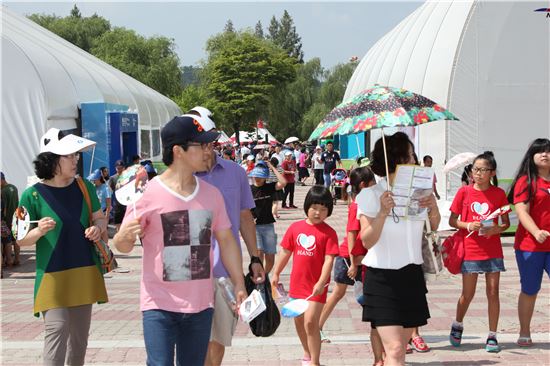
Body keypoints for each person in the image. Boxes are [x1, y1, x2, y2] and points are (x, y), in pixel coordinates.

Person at [113, 115, 247, 366]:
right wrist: (122, 237)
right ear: (179, 151)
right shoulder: (148, 194)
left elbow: (227, 240)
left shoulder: (211, 195)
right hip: (158, 305)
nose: (209, 150)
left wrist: (239, 283)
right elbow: (123, 245)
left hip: (200, 304)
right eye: (201, 145)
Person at [17, 128, 108, 366]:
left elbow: (99, 217)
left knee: (79, 341)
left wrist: (98, 228)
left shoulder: (85, 188)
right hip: (51, 276)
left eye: (76, 155)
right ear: (52, 159)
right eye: (70, 156)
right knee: (56, 331)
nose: (76, 160)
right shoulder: (32, 196)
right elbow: (20, 239)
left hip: (84, 272)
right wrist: (38, 231)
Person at [188, 106, 265, 366]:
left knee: (218, 340)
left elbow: (245, 217)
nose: (207, 148)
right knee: (193, 341)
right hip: (188, 271)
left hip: (224, 270)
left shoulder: (236, 172)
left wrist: (255, 258)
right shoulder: (182, 176)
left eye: (209, 141)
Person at [357, 132, 440, 366]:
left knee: (400, 350)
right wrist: (382, 212)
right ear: (395, 159)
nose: (415, 161)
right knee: (393, 349)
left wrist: (433, 207)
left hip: (412, 274)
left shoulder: (420, 191)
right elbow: (366, 241)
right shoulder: (370, 195)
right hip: (381, 277)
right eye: (410, 156)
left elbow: (432, 227)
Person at [318, 167, 384, 364]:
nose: (375, 186)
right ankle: (317, 327)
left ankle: (318, 326)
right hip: (351, 257)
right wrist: (354, 262)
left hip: (356, 256)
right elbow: (352, 234)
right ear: (364, 185)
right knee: (344, 294)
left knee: (342, 294)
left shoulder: (361, 202)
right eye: (372, 183)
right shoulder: (357, 205)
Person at [448, 151, 510, 353]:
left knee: (493, 292)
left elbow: (506, 223)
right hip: (470, 250)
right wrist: (467, 225)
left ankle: (492, 335)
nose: (478, 173)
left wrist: (495, 229)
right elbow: (452, 221)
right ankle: (458, 324)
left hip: (492, 249)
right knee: (468, 294)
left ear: (492, 173)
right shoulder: (464, 192)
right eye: (475, 169)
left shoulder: (499, 194)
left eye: (483, 170)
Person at [271, 186, 339, 366]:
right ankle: (307, 352)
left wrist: (321, 282)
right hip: (297, 285)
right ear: (307, 206)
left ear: (329, 211)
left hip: (317, 287)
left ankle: (315, 362)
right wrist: (276, 272)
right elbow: (285, 252)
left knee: (310, 323)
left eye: (323, 209)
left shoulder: (329, 233)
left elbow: (329, 261)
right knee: (299, 322)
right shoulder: (295, 228)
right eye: (315, 207)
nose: (318, 212)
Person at [507, 138, 550, 347]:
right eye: (540, 151)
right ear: (531, 156)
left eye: (548, 151)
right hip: (530, 246)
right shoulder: (526, 181)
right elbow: (521, 210)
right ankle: (524, 331)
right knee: (530, 289)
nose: (545, 154)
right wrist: (536, 231)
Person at [249, 161, 287, 273]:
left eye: (260, 176)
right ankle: (258, 277)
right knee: (259, 253)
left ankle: (264, 276)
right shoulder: (248, 189)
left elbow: (283, 182)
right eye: (256, 175)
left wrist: (272, 167)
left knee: (270, 258)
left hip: (268, 226)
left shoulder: (269, 187)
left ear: (265, 177)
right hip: (254, 226)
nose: (257, 178)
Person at [87, 169, 112, 243]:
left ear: (99, 179)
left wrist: (107, 216)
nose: (93, 181)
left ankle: (106, 248)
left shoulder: (106, 188)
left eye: (95, 180)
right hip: (96, 212)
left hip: (103, 212)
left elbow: (108, 203)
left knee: (104, 231)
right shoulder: (94, 188)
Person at [1, 172, 20, 266]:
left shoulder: (3, 191)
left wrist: (3, 220)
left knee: (6, 241)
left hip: (7, 220)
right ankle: (17, 259)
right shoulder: (14, 187)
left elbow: (3, 209)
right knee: (15, 239)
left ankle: (6, 261)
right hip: (16, 218)